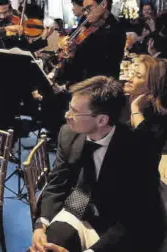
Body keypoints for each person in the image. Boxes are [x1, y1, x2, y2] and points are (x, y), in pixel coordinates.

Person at [30, 76, 165, 252]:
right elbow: (57, 183)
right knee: (45, 247)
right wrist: (41, 224)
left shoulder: (140, 150)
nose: (66, 115)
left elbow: (135, 219)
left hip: (119, 223)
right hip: (80, 204)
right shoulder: (68, 134)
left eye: (74, 112)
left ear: (102, 120)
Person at [0, 0, 52, 129]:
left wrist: (43, 39)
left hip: (12, 77)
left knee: (10, 117)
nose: (3, 16)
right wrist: (4, 30)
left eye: (6, 12)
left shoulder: (17, 22)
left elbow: (27, 49)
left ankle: (9, 145)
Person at [124, 55, 167, 161]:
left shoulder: (158, 117)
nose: (130, 79)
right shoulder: (123, 100)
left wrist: (135, 109)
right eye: (133, 73)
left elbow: (145, 147)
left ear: (152, 86)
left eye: (138, 76)